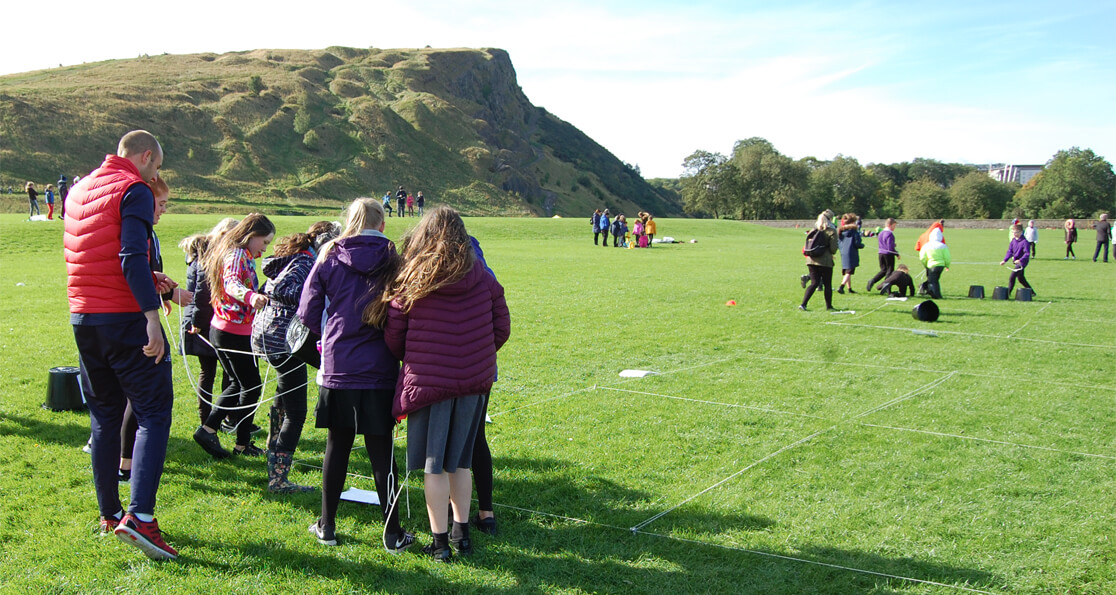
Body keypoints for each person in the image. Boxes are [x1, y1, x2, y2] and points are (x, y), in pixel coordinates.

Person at [370, 206, 510, 562]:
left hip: (429, 382)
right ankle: (461, 535)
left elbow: (394, 335)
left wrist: (421, 356)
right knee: (460, 463)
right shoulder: (482, 274)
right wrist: (475, 355)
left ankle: (441, 542)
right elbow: (501, 327)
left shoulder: (413, 276)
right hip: (471, 382)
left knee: (435, 465)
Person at [63, 129, 177, 559]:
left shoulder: (80, 190)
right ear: (146, 157)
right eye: (157, 167)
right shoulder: (134, 188)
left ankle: (109, 513)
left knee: (105, 416)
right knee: (153, 413)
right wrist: (151, 314)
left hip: (84, 316)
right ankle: (142, 518)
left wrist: (149, 281)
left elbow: (96, 256)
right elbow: (130, 255)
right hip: (125, 318)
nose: (155, 175)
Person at [299, 198, 414, 552]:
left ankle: (327, 524)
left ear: (349, 221)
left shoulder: (329, 256)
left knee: (338, 445)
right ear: (381, 225)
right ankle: (392, 532)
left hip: (340, 365)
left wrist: (331, 333)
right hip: (380, 365)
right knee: (381, 450)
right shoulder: (396, 260)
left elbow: (307, 311)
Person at [252, 221, 338, 493]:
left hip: (269, 333)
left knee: (282, 396)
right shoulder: (304, 262)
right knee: (297, 411)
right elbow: (283, 290)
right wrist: (314, 294)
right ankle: (278, 478)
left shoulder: (297, 258)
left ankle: (273, 453)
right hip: (283, 338)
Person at [118, 177, 191, 484]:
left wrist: (161, 288)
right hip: (134, 321)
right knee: (142, 399)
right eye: (159, 205)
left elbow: (143, 276)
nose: (161, 211)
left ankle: (124, 462)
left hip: (140, 315)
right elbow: (131, 275)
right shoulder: (136, 233)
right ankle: (126, 466)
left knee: (135, 398)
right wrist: (165, 296)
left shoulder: (150, 233)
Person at [193, 214, 275, 459]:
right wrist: (251, 297)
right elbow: (231, 284)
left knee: (238, 384)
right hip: (233, 332)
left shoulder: (240, 254)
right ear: (252, 236)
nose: (265, 247)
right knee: (251, 387)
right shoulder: (236, 255)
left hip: (226, 329)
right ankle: (217, 432)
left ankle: (230, 438)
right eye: (264, 241)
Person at [179, 218, 239, 425]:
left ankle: (222, 417)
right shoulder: (210, 255)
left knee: (221, 371)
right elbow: (202, 293)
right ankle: (211, 420)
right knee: (215, 371)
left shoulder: (205, 252)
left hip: (205, 318)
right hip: (205, 320)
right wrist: (198, 322)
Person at [799, 211, 839, 311]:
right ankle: (829, 306)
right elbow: (833, 248)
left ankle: (803, 304)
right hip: (825, 261)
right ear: (830, 219)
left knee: (814, 283)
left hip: (811, 260)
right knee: (827, 284)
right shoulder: (831, 231)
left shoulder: (813, 230)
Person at [1001, 223, 1034, 297]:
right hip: (1016, 262)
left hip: (1022, 263)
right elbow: (1010, 251)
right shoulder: (1013, 241)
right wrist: (1005, 260)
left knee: (1012, 277)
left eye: (1016, 232)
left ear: (1021, 232)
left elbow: (1027, 254)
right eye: (1013, 232)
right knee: (1021, 278)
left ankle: (1007, 293)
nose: (1014, 234)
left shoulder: (1025, 242)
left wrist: (1020, 260)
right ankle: (1032, 292)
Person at [866, 218, 899, 291]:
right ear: (889, 225)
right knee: (890, 271)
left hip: (881, 253)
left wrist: (893, 244)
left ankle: (872, 281)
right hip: (888, 254)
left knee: (883, 270)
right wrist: (896, 254)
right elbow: (890, 247)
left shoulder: (881, 233)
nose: (894, 228)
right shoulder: (890, 234)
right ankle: (887, 289)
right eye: (893, 226)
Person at [919, 227, 951, 299]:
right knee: (935, 280)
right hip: (941, 265)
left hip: (931, 265)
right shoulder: (943, 246)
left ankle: (936, 295)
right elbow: (947, 257)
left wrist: (925, 264)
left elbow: (922, 257)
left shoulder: (926, 246)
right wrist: (947, 265)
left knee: (932, 281)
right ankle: (928, 289)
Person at [836, 213, 864, 294]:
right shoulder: (854, 231)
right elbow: (857, 243)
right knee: (849, 271)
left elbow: (838, 243)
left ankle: (849, 288)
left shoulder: (841, 231)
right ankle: (841, 286)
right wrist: (862, 245)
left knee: (846, 271)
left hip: (843, 252)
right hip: (851, 252)